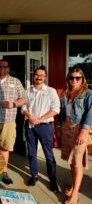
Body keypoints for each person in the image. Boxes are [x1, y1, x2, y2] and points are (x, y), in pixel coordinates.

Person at [21, 66, 60, 193]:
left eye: (42, 75)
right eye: (37, 74)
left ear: (45, 77)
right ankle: (34, 176)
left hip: (45, 127)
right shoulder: (28, 91)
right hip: (30, 126)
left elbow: (55, 109)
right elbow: (23, 108)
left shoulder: (51, 91)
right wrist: (30, 117)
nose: (39, 77)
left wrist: (40, 119)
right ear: (34, 76)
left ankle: (53, 180)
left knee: (49, 155)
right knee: (31, 153)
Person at [0, 59, 26, 184]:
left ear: (8, 68)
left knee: (4, 147)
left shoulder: (16, 81)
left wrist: (14, 104)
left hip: (8, 121)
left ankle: (3, 172)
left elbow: (24, 99)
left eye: (5, 66)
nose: (2, 69)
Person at [57, 67, 92, 204]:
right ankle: (73, 187)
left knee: (77, 163)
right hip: (67, 129)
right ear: (68, 79)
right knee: (72, 162)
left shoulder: (88, 93)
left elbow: (90, 113)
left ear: (83, 79)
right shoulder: (65, 93)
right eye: (71, 77)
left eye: (78, 78)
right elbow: (61, 113)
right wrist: (59, 127)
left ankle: (75, 195)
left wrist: (84, 130)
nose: (74, 80)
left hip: (80, 130)